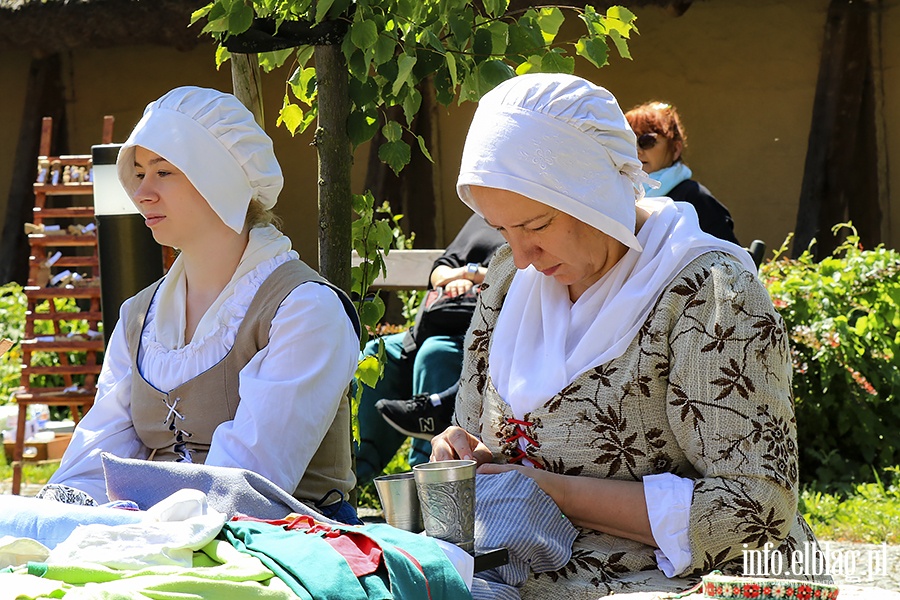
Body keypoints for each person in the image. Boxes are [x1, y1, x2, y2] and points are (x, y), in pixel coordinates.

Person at [430, 74, 828, 597]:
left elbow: (754, 509)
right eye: (502, 229)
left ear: (593, 188)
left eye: (538, 225)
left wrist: (550, 492)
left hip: (678, 581)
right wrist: (460, 453)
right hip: (521, 570)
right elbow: (476, 438)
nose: (523, 255)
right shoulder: (508, 280)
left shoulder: (707, 294)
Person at [43, 86, 363, 525]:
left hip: (288, 549)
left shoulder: (303, 309)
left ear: (220, 176)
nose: (142, 193)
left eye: (164, 172)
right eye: (138, 174)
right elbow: (95, 458)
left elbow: (250, 483)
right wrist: (61, 516)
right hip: (159, 541)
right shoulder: (140, 317)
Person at [355, 213, 504, 485]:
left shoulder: (531, 220)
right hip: (431, 326)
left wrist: (474, 276)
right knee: (377, 354)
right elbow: (440, 268)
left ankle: (425, 482)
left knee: (435, 355)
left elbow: (525, 274)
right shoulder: (483, 216)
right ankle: (354, 476)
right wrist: (459, 275)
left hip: (480, 335)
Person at [625, 100, 740, 244]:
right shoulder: (618, 195)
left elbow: (729, 260)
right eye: (628, 141)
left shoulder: (694, 197)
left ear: (676, 149)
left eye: (647, 140)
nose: (638, 150)